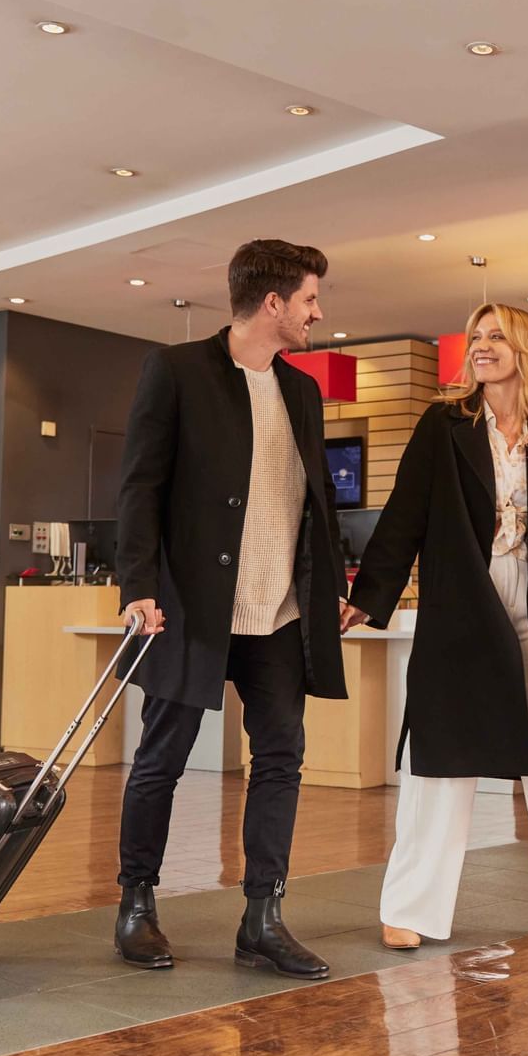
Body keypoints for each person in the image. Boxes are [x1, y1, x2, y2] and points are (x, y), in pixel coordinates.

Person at [343, 303, 528, 954]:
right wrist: (369, 594)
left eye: (495, 336)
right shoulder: (445, 424)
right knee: (440, 765)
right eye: (476, 336)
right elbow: (407, 511)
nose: (480, 346)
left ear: (524, 349)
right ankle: (407, 908)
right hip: (462, 606)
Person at [112, 238, 349, 979]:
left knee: (281, 757)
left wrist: (331, 582)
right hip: (194, 609)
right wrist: (137, 585)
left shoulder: (303, 391)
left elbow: (315, 504)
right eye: (310, 298)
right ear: (273, 302)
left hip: (277, 613)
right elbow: (140, 488)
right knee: (162, 759)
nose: (318, 311)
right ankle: (136, 901)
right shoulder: (177, 372)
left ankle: (263, 917)